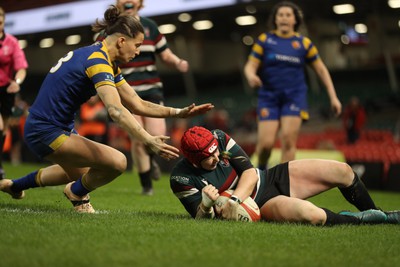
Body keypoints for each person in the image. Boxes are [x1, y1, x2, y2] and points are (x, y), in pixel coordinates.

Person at [0, 6, 213, 213]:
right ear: (121, 41)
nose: (138, 51)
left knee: (82, 173)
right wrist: (148, 139)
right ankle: (77, 194)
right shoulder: (99, 62)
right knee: (118, 162)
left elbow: (136, 103)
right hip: (45, 130)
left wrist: (178, 112)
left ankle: (15, 185)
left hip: (47, 126)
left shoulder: (102, 59)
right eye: (137, 45)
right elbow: (116, 111)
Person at [170, 126, 399, 225]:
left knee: (343, 170)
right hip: (261, 204)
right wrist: (207, 206)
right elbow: (201, 221)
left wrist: (234, 199)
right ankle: (360, 220)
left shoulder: (218, 136)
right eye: (208, 158)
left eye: (216, 151)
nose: (217, 157)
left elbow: (249, 171)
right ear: (192, 160)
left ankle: (380, 214)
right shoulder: (181, 178)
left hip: (268, 178)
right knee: (313, 216)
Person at [97, 0, 190, 196]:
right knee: (138, 138)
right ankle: (147, 185)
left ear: (140, 3)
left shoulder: (150, 27)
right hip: (125, 90)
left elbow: (165, 54)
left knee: (159, 132)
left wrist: (178, 62)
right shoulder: (110, 31)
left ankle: (152, 159)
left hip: (151, 89)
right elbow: (98, 57)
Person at [243, 1, 342, 170]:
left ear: (295, 20)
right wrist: (251, 76)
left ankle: (282, 184)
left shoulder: (304, 44)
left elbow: (322, 71)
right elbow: (250, 65)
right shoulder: (265, 40)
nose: (284, 18)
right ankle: (261, 167)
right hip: (269, 97)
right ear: (275, 19)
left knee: (288, 139)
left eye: (288, 15)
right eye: (280, 15)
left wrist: (333, 97)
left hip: (294, 97)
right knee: (266, 145)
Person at [0, 6, 28, 179]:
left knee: (4, 131)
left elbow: (21, 68)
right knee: (0, 126)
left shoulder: (11, 42)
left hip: (7, 90)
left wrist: (17, 82)